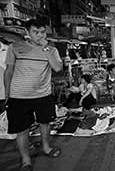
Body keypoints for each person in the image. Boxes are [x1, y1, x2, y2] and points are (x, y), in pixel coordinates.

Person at [4, 19, 63, 171]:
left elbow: (57, 68)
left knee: (45, 123)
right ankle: (26, 160)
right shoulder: (15, 47)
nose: (39, 35)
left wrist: (45, 50)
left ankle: (46, 147)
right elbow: (8, 71)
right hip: (19, 97)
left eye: (42, 32)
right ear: (27, 33)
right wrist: (7, 93)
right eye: (35, 32)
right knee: (22, 129)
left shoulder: (51, 50)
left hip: (43, 95)